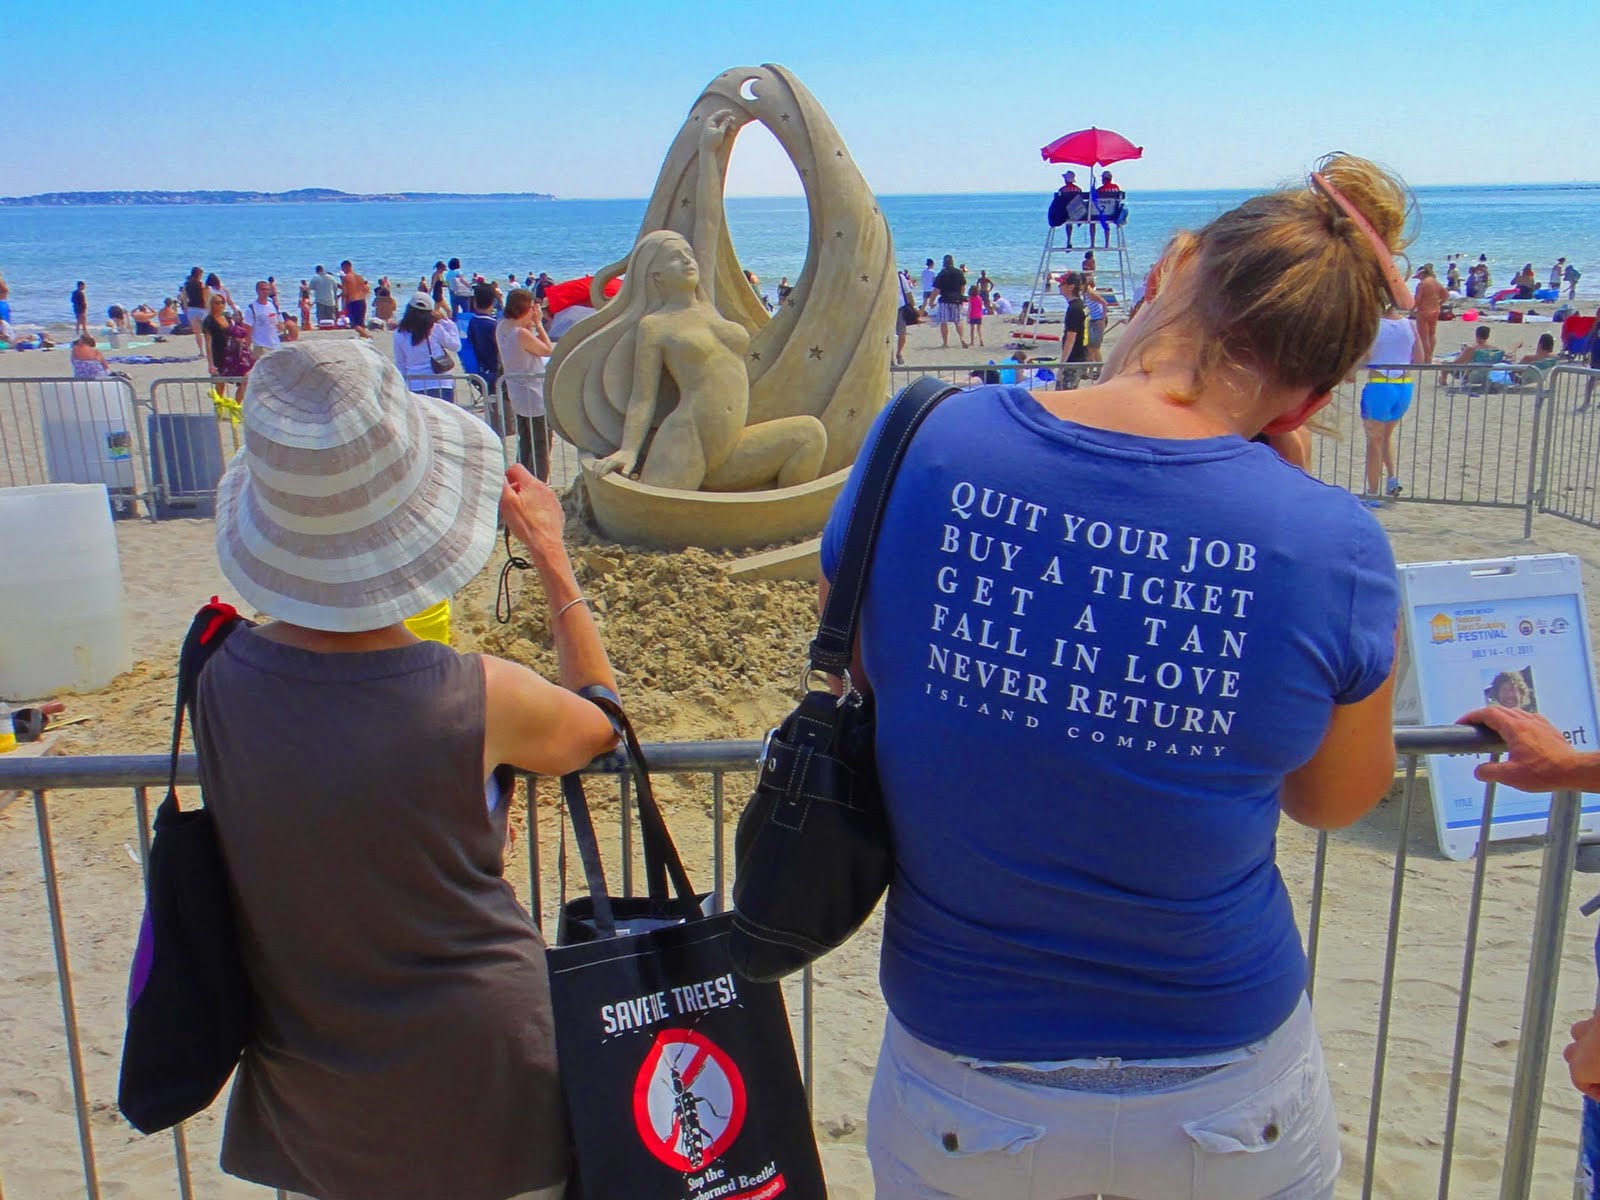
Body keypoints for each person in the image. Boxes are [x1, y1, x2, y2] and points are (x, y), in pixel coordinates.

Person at [828, 153, 1407, 1200]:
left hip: (967, 1065)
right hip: (1224, 1077)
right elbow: (1333, 799)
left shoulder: (927, 436)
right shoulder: (1330, 541)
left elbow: (872, 668)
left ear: (1168, 269)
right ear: (1311, 399)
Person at [196, 338, 616, 1200]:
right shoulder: (476, 693)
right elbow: (602, 725)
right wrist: (550, 553)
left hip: (317, 1094)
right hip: (489, 1084)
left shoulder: (216, 678)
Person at [1359, 300, 1422, 507]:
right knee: (1386, 436)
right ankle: (1392, 478)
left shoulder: (1375, 325)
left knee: (1374, 441)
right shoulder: (1409, 324)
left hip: (1380, 385)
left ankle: (1373, 492)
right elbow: (1420, 358)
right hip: (1404, 386)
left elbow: (1365, 356)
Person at [496, 287, 555, 479]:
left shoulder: (502, 326)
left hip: (517, 393)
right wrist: (538, 324)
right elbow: (547, 350)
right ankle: (538, 482)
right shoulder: (519, 333)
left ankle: (523, 478)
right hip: (533, 395)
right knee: (541, 443)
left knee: (526, 441)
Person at [393, 292, 462, 401]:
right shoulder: (435, 328)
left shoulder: (399, 333)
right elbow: (456, 346)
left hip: (414, 383)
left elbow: (401, 363)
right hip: (440, 382)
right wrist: (446, 322)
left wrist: (403, 385)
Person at [203, 293, 254, 396]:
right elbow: (208, 343)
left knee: (244, 379)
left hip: (233, 352)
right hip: (218, 353)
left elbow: (236, 332)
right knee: (220, 384)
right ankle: (219, 410)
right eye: (217, 303)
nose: (220, 305)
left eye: (223, 302)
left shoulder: (227, 317)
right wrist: (210, 363)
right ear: (212, 304)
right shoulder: (209, 320)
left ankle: (236, 406)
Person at [467, 281, 502, 396]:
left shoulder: (473, 321)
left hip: (481, 369)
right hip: (494, 370)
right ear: (493, 302)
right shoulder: (493, 325)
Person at [931, 255, 967, 350]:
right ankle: (961, 338)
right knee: (957, 320)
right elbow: (963, 286)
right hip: (956, 299)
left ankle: (945, 343)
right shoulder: (958, 273)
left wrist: (931, 301)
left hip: (945, 300)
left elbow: (936, 290)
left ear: (944, 263)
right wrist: (961, 296)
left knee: (943, 321)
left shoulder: (942, 273)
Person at [1412, 264, 1446, 362]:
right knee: (1432, 334)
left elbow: (1417, 300)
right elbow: (1445, 295)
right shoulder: (1436, 282)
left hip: (1424, 311)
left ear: (1422, 274)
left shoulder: (1422, 284)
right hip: (1435, 310)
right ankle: (1430, 356)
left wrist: (1412, 309)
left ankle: (1426, 359)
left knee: (1424, 335)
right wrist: (1439, 304)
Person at [1057, 270, 1088, 377]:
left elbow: (1071, 338)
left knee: (1064, 391)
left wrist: (1062, 364)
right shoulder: (1078, 305)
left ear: (1070, 287)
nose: (1059, 286)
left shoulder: (1075, 308)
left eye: (1062, 284)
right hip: (1079, 356)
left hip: (1074, 359)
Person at [243, 280, 283, 357]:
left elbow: (280, 324)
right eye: (263, 289)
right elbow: (247, 330)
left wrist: (280, 326)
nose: (265, 292)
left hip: (275, 344)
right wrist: (247, 347)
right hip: (261, 346)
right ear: (257, 291)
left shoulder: (272, 305)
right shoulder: (252, 308)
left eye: (267, 289)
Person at [1047, 171, 1085, 247]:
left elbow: (1058, 203)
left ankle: (1069, 240)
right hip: (1077, 213)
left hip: (1065, 214)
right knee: (1071, 213)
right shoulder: (1078, 189)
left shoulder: (1062, 190)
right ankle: (1069, 240)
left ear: (1066, 180)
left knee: (1067, 217)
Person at [340, 260, 371, 338]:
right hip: (362, 300)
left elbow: (345, 293)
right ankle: (363, 337)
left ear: (347, 267)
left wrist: (344, 305)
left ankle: (366, 336)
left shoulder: (345, 277)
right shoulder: (360, 277)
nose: (342, 270)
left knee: (354, 324)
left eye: (343, 268)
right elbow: (365, 289)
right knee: (361, 323)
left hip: (353, 301)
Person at [183, 267, 209, 354]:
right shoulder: (202, 285)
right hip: (201, 309)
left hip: (192, 310)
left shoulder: (186, 285)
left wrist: (186, 310)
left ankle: (201, 351)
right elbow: (205, 299)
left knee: (197, 333)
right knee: (207, 333)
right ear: (199, 275)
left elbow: (184, 299)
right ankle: (209, 351)